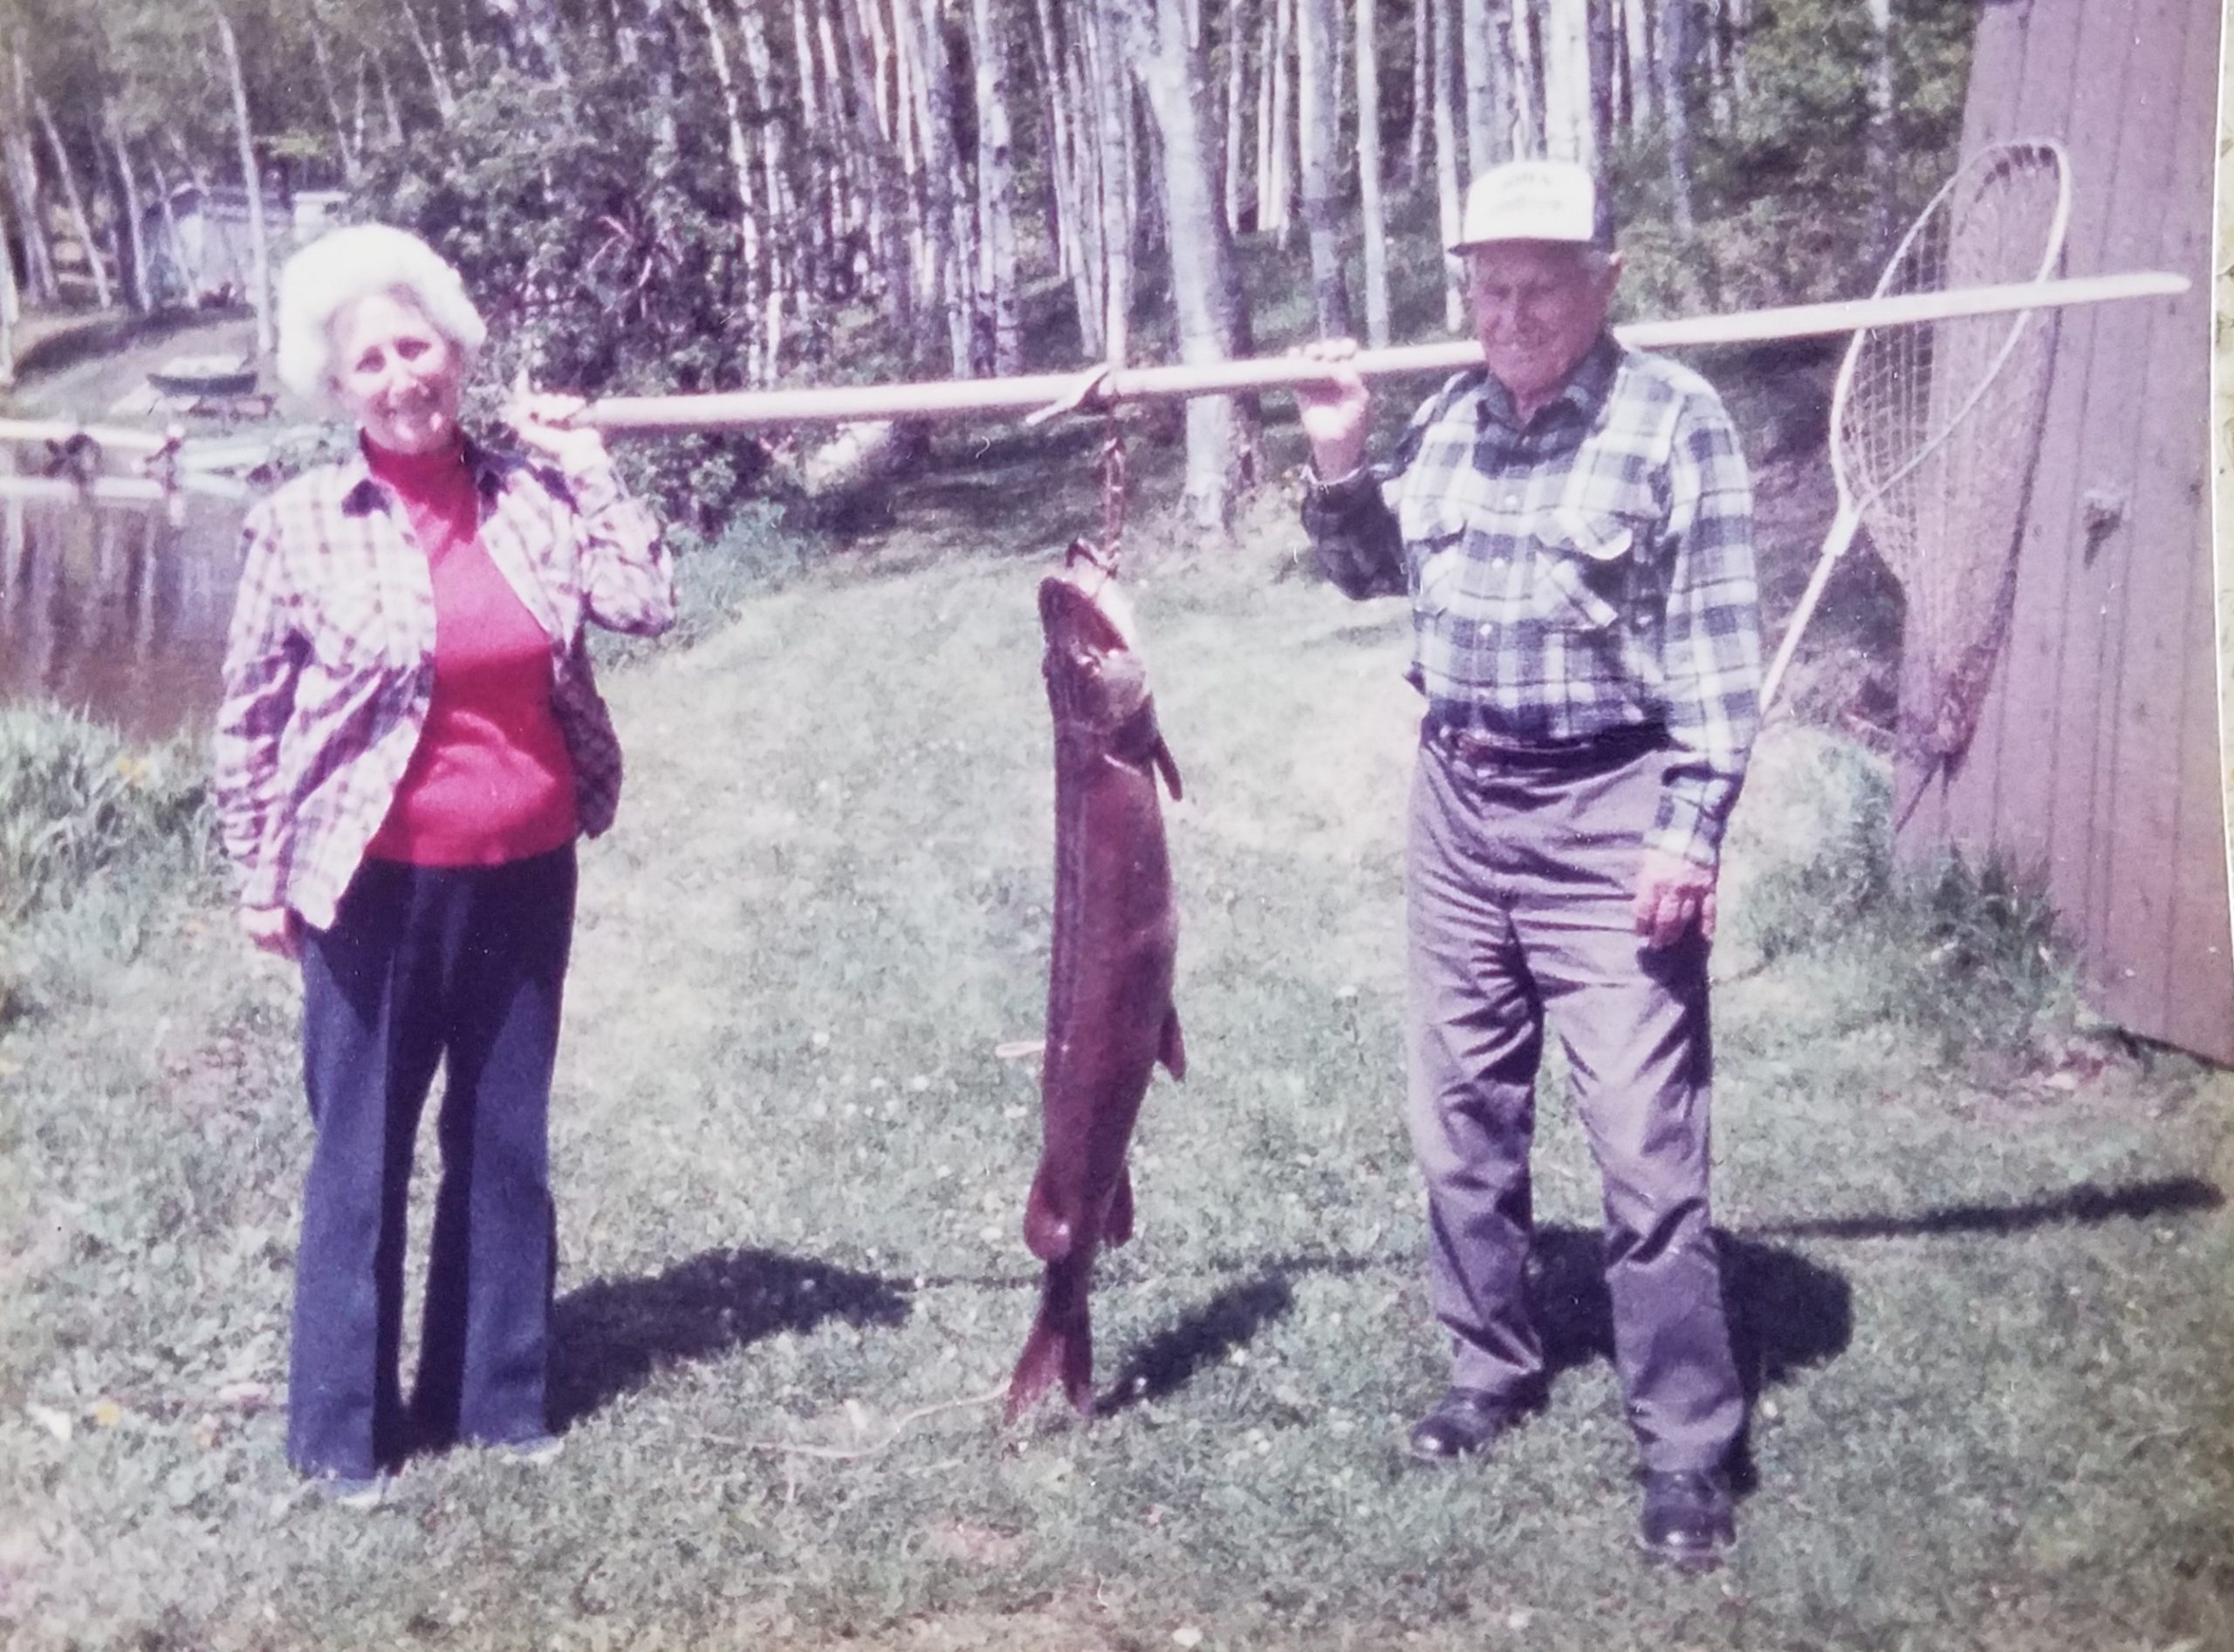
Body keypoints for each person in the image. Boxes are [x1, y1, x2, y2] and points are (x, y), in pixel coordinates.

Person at [1295, 160, 1762, 1566]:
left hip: (1609, 813)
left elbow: (1723, 661)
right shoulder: (1454, 418)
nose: (1507, 314)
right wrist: (1339, 456)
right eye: (1487, 288)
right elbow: (1376, 577)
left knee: (1645, 1148)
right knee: (1461, 1122)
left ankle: (1687, 1445)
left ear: (1605, 283)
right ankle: (1488, 1365)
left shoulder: (1676, 424)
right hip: (1460, 805)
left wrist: (1689, 828)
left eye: (1539, 286)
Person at [214, 223, 675, 1506]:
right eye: (371, 360)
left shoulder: (532, 494)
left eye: (417, 346)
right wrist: (259, 874)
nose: (401, 375)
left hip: (526, 865)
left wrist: (593, 472)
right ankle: (339, 1435)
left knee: (504, 1138)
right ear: (339, 383)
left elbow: (646, 603)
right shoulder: (298, 524)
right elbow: (248, 716)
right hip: (370, 884)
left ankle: (499, 1398)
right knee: (358, 1149)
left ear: (456, 354)